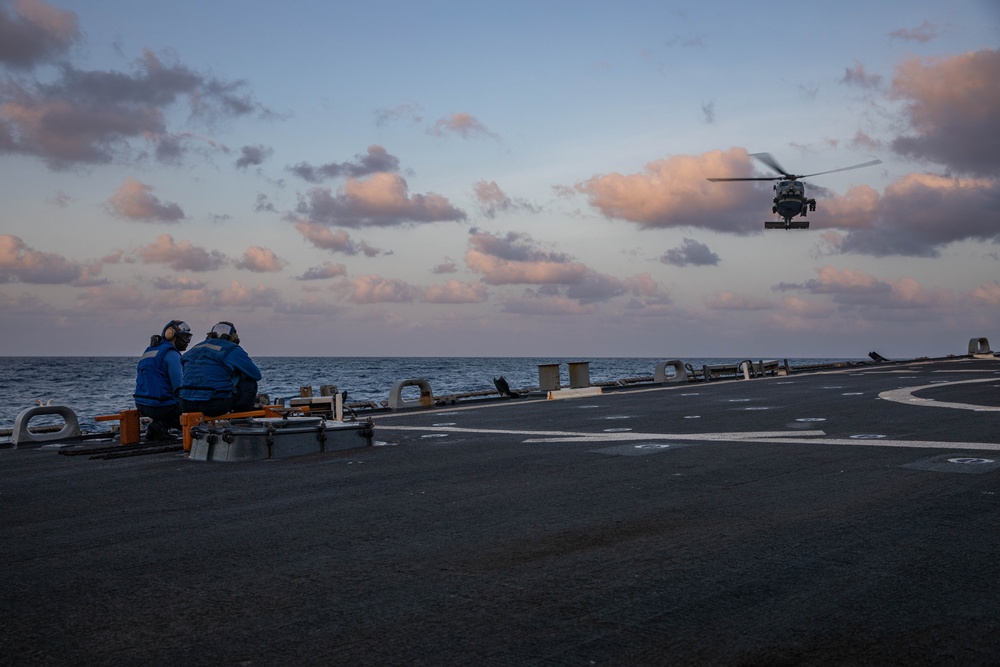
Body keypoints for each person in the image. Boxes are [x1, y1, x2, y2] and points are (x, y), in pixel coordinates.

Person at [177, 321, 262, 417]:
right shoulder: (232, 349)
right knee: (249, 383)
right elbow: (256, 375)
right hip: (214, 404)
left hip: (185, 403)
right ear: (233, 336)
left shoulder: (193, 349)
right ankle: (241, 421)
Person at [134, 320, 192, 440]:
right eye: (185, 338)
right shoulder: (171, 354)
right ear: (172, 336)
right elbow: (179, 386)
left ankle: (158, 427)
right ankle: (159, 426)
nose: (187, 343)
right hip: (161, 407)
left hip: (142, 404)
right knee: (194, 417)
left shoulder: (149, 351)